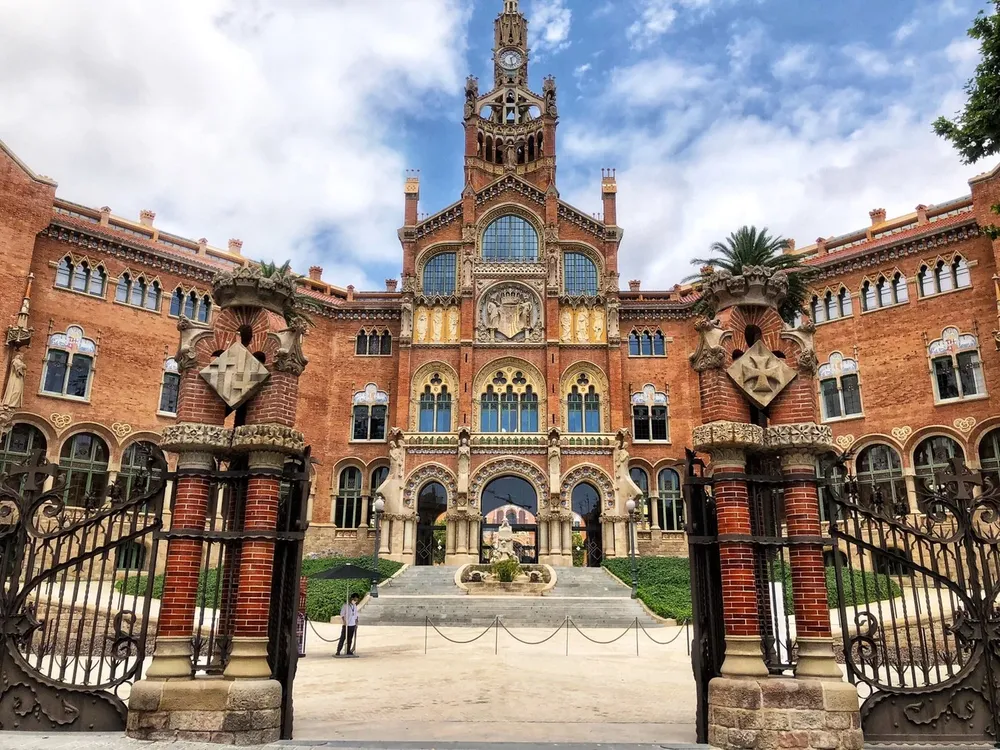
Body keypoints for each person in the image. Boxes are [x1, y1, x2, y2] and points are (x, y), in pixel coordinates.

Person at [336, 593, 360, 657]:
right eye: (354, 600)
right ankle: (338, 650)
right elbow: (342, 614)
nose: (355, 601)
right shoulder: (345, 605)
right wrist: (344, 622)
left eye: (356, 600)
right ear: (352, 598)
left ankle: (348, 650)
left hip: (352, 625)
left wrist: (356, 623)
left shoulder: (354, 606)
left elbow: (356, 615)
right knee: (342, 638)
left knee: (350, 639)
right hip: (346, 625)